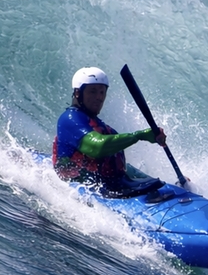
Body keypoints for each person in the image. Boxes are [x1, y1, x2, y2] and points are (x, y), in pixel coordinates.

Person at [52, 66, 167, 196]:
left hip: (114, 183)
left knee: (156, 184)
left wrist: (155, 181)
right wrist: (139, 136)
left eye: (102, 92)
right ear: (78, 93)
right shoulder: (69, 119)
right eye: (93, 91)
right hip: (87, 186)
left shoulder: (99, 125)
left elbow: (120, 165)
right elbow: (97, 147)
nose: (99, 97)